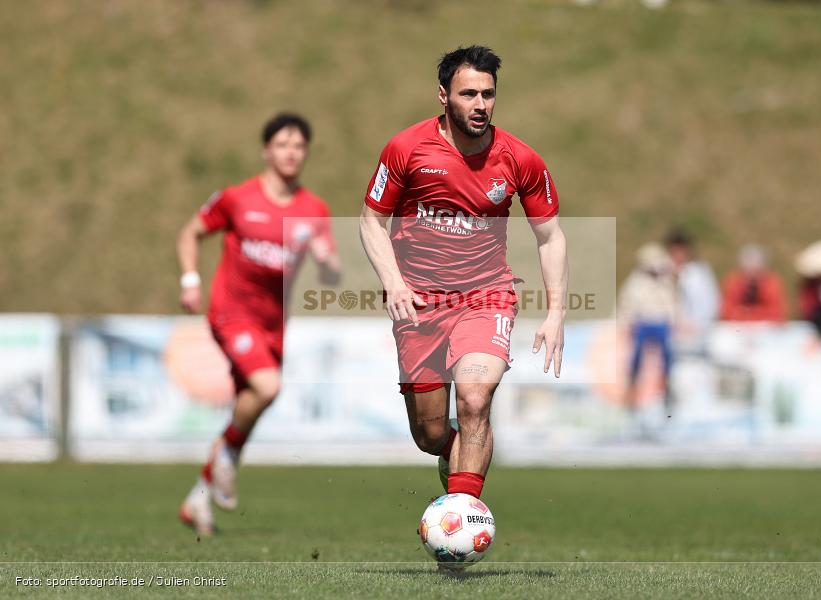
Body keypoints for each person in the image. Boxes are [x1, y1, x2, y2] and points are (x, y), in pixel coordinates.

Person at [359, 46, 567, 502]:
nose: (480, 104)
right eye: (469, 93)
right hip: (418, 303)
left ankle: (462, 515)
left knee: (474, 400)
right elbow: (370, 220)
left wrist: (555, 312)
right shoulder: (406, 149)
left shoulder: (519, 159)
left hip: (485, 297)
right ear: (443, 96)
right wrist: (393, 282)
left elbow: (550, 236)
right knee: (430, 433)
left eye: (488, 94)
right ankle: (457, 457)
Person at [176, 112, 341, 536]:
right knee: (267, 388)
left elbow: (331, 272)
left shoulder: (313, 210)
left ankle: (198, 499)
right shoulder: (237, 198)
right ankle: (228, 460)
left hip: (272, 325)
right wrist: (190, 280)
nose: (291, 152)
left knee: (245, 409)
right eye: (283, 144)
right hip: (231, 312)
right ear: (266, 150)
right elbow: (190, 232)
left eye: (299, 146)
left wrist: (327, 264)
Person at [617, 243, 677, 412]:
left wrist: (673, 320)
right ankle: (632, 387)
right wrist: (625, 322)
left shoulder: (665, 281)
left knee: (667, 354)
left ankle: (667, 386)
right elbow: (627, 304)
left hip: (660, 322)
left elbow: (671, 303)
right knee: (637, 355)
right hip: (643, 322)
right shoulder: (636, 282)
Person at [665, 228, 720, 335]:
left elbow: (711, 303)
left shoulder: (700, 273)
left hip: (698, 330)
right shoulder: (661, 272)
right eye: (674, 251)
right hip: (669, 331)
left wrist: (697, 326)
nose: (678, 254)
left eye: (681, 250)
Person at [720, 244, 787, 322]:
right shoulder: (734, 281)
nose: (752, 273)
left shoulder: (771, 282)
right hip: (737, 328)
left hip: (766, 329)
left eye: (756, 269)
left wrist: (750, 314)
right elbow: (726, 310)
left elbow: (778, 311)